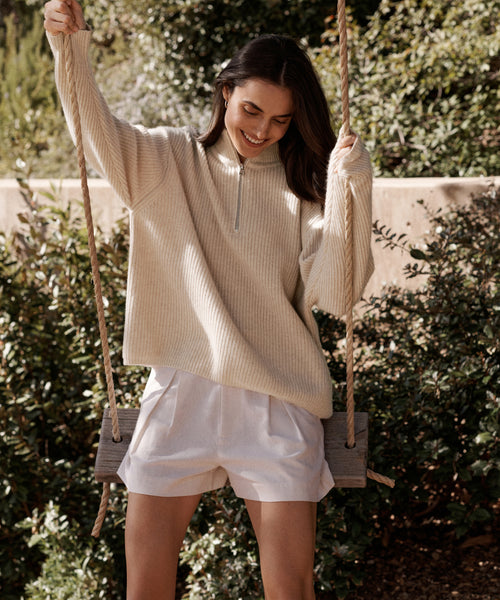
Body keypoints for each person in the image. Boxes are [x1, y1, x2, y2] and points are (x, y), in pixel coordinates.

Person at [44, 1, 374, 598]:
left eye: (281, 119)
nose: (263, 130)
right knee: (145, 587)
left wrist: (351, 187)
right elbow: (94, 128)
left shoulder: (304, 188)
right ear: (225, 93)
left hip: (277, 397)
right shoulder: (165, 160)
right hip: (180, 390)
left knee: (291, 590)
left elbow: (338, 292)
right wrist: (69, 45)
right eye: (252, 109)